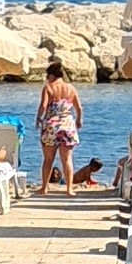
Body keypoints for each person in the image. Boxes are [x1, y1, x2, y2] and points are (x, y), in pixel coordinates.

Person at [36, 56, 84, 189]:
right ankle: (69, 189)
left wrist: (38, 118)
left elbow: (43, 106)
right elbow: (78, 108)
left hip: (51, 125)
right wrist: (79, 120)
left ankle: (44, 188)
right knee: (67, 159)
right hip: (67, 125)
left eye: (48, 75)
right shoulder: (71, 88)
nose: (47, 78)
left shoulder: (48, 88)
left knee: (48, 159)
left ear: (52, 75)